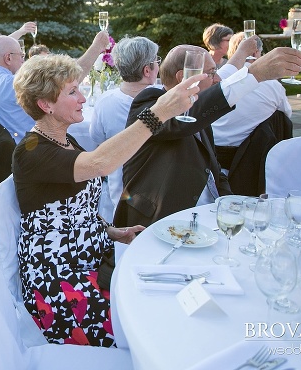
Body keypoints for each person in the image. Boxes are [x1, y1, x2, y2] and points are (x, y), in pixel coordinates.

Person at [12, 53, 200, 346]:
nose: (83, 99)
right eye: (72, 92)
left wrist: (111, 231)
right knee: (145, 331)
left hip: (92, 258)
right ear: (46, 104)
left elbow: (72, 210)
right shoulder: (31, 150)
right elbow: (101, 163)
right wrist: (157, 114)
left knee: (170, 294)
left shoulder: (64, 141)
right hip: (58, 277)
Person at [115, 43, 301, 228]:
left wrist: (229, 203)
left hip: (205, 218)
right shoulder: (148, 103)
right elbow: (183, 122)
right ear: (184, 77)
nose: (218, 80)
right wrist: (253, 75)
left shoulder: (200, 113)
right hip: (158, 222)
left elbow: (212, 169)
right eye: (212, 73)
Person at [89, 36, 161, 222]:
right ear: (147, 70)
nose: (159, 65)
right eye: (157, 61)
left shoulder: (105, 101)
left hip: (119, 190)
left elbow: (97, 139)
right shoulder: (163, 102)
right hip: (159, 192)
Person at [213, 33, 292, 177]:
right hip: (250, 157)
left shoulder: (217, 80)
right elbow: (286, 116)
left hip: (212, 152)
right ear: (255, 51)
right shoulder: (272, 84)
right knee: (278, 117)